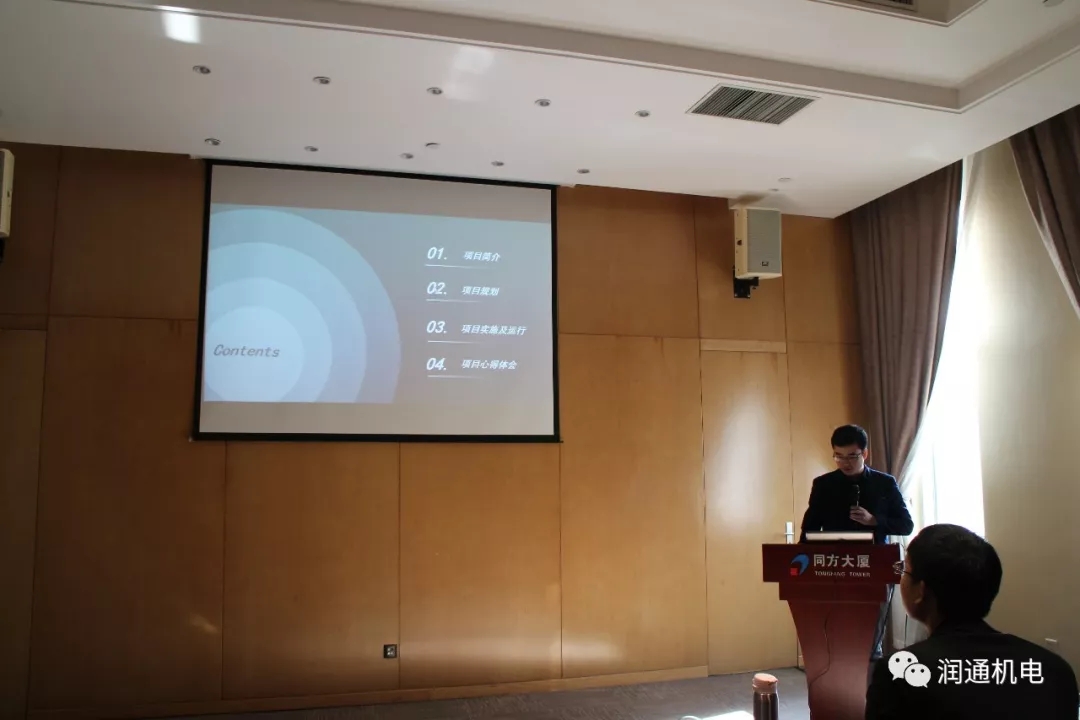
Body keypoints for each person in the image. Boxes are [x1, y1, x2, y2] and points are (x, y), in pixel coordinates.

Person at [866, 524, 1078, 719]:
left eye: (904, 569)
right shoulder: (1055, 669)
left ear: (921, 591)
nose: (901, 577)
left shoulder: (899, 673)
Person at [800, 424, 913, 661]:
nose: (845, 463)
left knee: (870, 635)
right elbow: (809, 528)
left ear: (865, 453)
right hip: (834, 565)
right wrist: (803, 564)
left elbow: (906, 525)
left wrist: (875, 520)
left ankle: (871, 673)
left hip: (875, 565)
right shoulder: (823, 484)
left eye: (852, 456)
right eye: (838, 456)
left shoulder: (885, 483)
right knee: (838, 632)